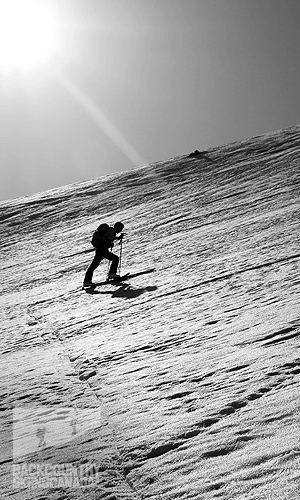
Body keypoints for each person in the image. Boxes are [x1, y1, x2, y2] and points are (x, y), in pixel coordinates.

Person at [83, 221, 124, 286]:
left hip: (100, 249)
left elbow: (108, 239)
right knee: (115, 258)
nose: (120, 230)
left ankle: (87, 281)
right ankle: (112, 274)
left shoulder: (110, 231)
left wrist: (115, 239)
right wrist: (110, 243)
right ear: (117, 227)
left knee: (94, 265)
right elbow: (106, 239)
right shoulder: (111, 230)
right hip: (102, 249)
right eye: (120, 228)